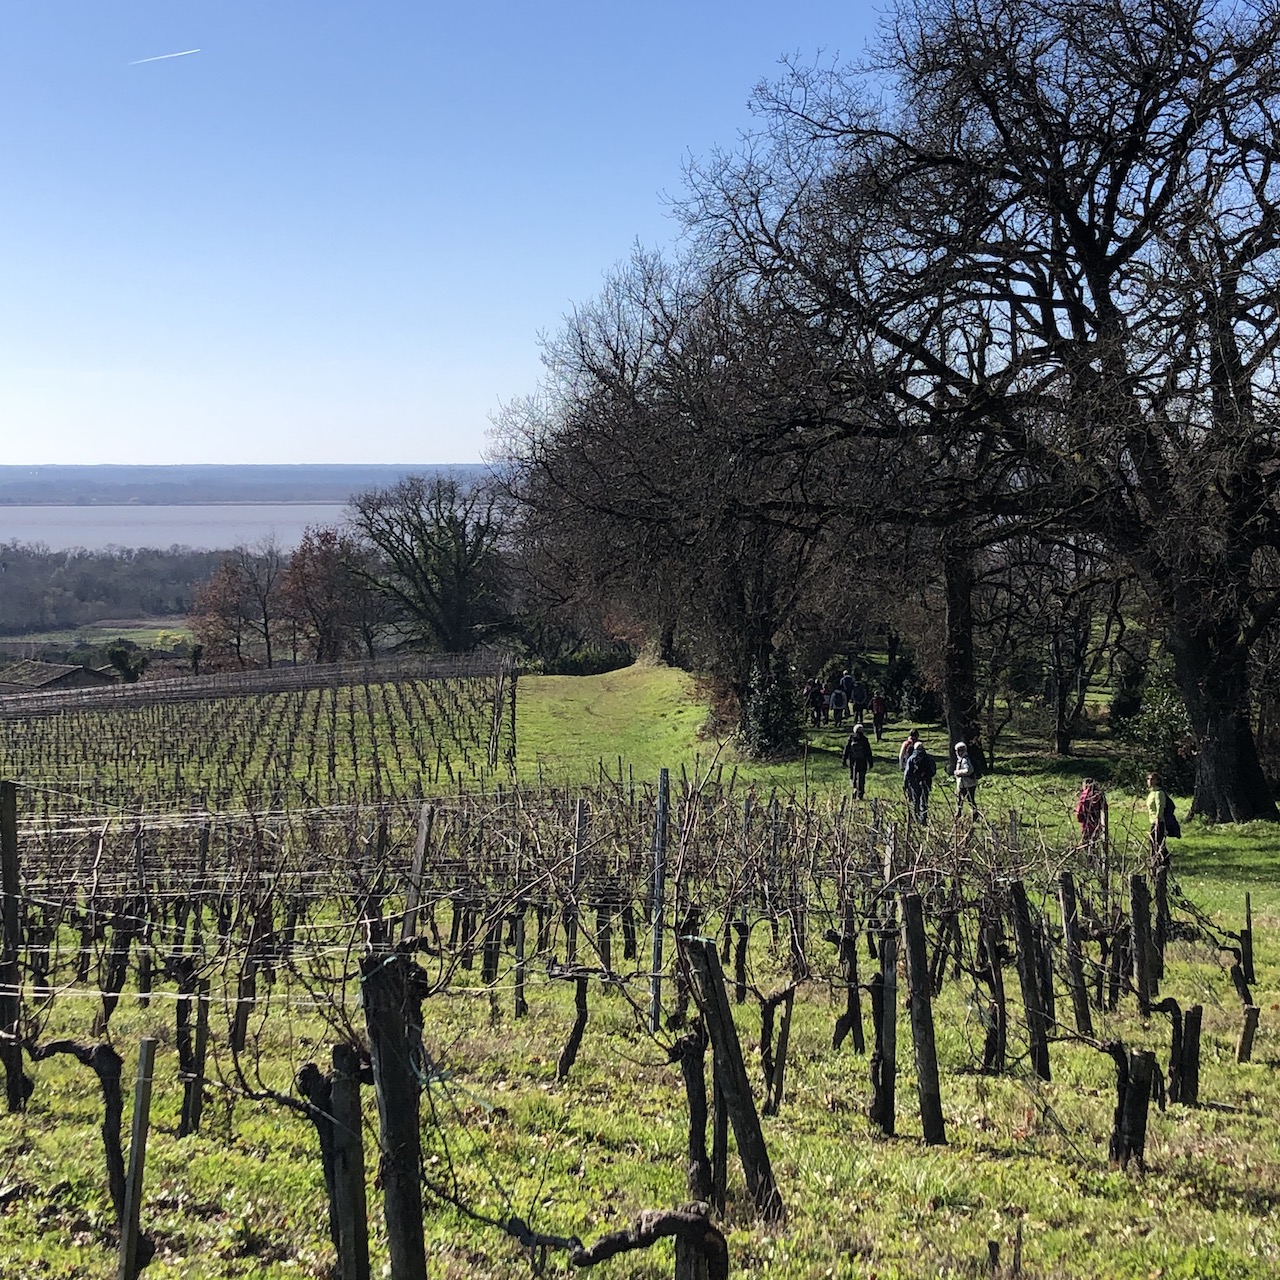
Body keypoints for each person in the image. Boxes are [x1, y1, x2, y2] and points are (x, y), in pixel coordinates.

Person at [903, 739, 935, 823]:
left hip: (914, 782)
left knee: (915, 800)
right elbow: (933, 771)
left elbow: (907, 772)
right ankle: (923, 818)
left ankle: (916, 817)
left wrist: (905, 784)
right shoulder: (928, 758)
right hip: (926, 781)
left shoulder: (911, 758)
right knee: (924, 800)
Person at [841, 722, 874, 799]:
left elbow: (846, 749)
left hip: (853, 761)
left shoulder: (851, 738)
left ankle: (854, 789)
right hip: (863, 761)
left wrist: (844, 759)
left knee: (853, 776)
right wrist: (870, 762)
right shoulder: (865, 739)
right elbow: (868, 751)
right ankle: (860, 793)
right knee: (861, 777)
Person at [1075, 778, 1108, 848]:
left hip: (1087, 823)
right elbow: (1105, 808)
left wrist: (1080, 818)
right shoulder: (1099, 794)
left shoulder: (1085, 795)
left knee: (1086, 843)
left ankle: (1089, 857)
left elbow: (1080, 810)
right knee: (1096, 841)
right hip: (1098, 822)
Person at [952, 741, 979, 817]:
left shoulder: (965, 760)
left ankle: (972, 813)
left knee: (965, 799)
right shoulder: (962, 759)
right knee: (962, 799)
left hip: (967, 784)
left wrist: (958, 772)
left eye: (957, 751)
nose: (956, 752)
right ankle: (961, 813)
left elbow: (969, 770)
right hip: (967, 783)